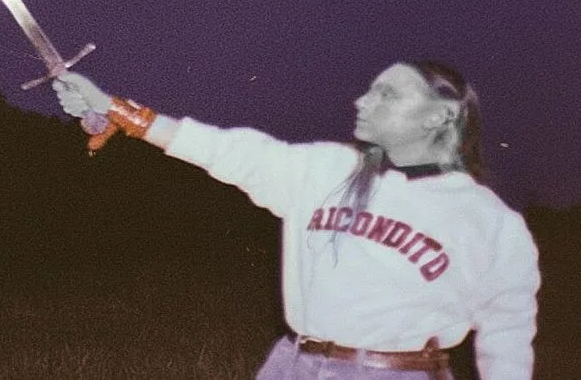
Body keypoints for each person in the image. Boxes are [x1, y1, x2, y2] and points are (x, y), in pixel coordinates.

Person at [52, 60, 540, 380]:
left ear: (440, 116)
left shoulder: (489, 222)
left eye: (386, 94)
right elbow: (228, 150)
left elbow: (508, 336)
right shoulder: (327, 169)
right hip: (294, 365)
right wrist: (115, 109)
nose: (362, 102)